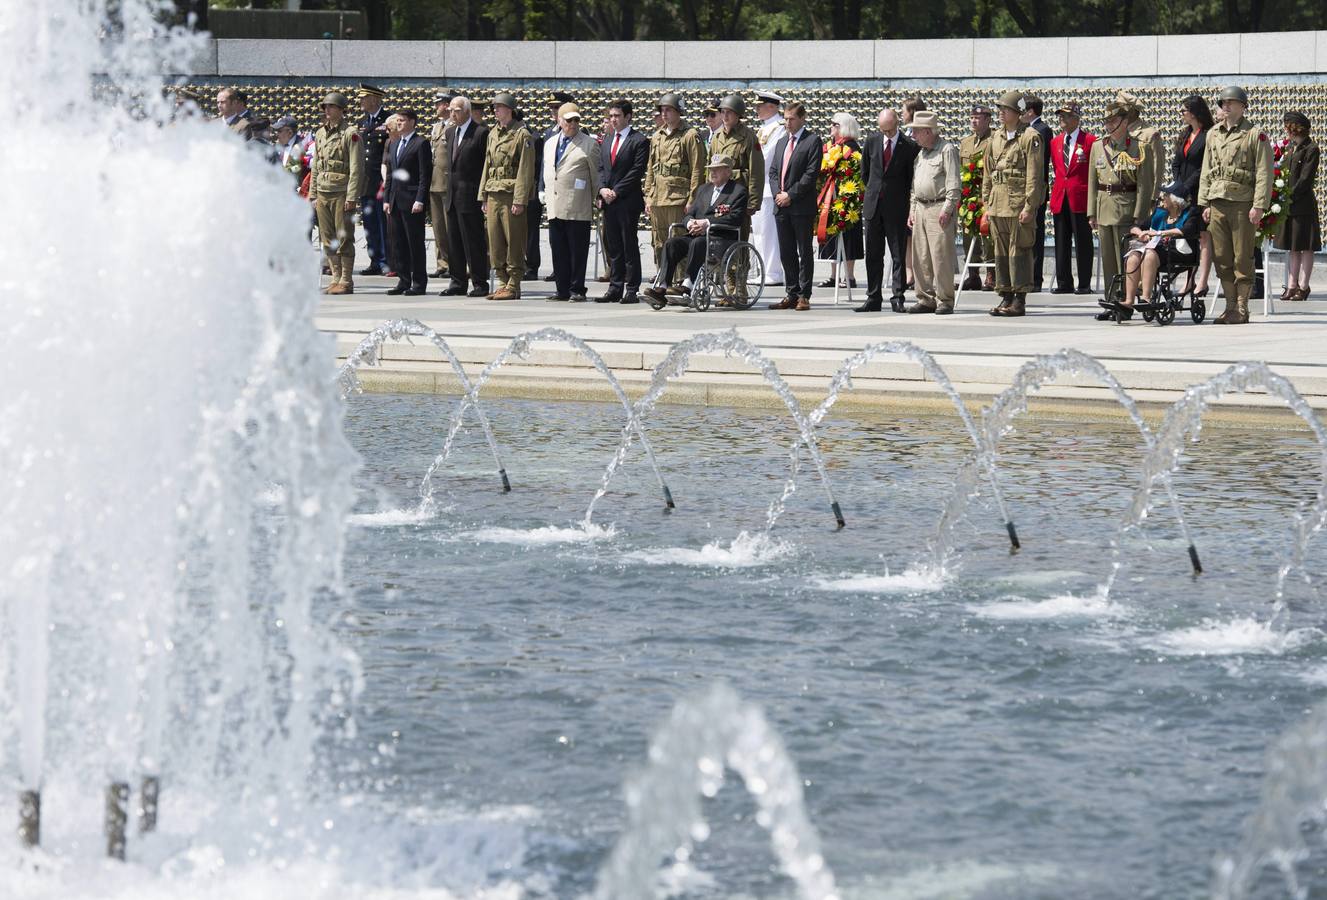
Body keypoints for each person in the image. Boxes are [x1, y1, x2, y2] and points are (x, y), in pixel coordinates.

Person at [1198, 85, 1272, 325]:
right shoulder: (1213, 134)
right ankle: (1229, 306)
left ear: (1242, 106)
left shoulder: (1254, 134)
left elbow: (1264, 172)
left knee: (1242, 257)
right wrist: (1204, 202)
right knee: (1221, 257)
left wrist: (1259, 205)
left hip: (1242, 202)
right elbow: (1207, 170)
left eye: (1230, 102)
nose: (1225, 106)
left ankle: (1242, 307)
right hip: (1217, 201)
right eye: (1222, 103)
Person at [643, 155, 748, 307]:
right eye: (711, 169)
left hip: (721, 237)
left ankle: (687, 285)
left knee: (698, 243)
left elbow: (735, 219)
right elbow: (689, 213)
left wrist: (706, 223)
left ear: (727, 171)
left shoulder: (738, 191)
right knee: (672, 243)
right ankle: (662, 287)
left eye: (717, 169)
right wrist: (690, 222)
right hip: (696, 234)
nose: (713, 173)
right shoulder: (704, 189)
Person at [1087, 97, 1152, 321]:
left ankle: (1125, 301)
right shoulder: (1098, 146)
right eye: (1106, 120)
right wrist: (1091, 212)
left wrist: (1139, 217)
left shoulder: (1138, 147)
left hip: (1126, 209)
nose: (1108, 124)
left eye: (1112, 120)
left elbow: (1145, 185)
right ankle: (1111, 300)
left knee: (1126, 258)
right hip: (1104, 208)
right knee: (1108, 259)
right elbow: (1093, 182)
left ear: (1124, 122)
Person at [983, 91, 1044, 318]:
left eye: (1005, 109)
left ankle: (1019, 298)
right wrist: (986, 203)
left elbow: (1034, 175)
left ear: (1017, 113)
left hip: (1018, 204)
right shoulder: (995, 138)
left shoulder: (1030, 137)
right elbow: (988, 172)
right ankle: (1005, 294)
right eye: (1000, 109)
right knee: (1000, 252)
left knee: (1019, 250)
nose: (1001, 113)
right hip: (998, 203)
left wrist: (1030, 206)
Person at [856, 108, 918, 313]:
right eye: (883, 131)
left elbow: (911, 179)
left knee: (898, 254)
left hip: (897, 208)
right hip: (874, 206)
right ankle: (873, 297)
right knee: (873, 254)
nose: (887, 134)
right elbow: (865, 173)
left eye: (890, 131)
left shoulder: (909, 146)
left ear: (897, 124)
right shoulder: (872, 141)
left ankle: (898, 296)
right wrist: (875, 192)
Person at [477, 92, 537, 301]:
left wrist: (520, 199)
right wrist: (483, 195)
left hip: (511, 194)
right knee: (495, 241)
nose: (495, 110)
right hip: (494, 192)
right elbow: (487, 165)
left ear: (509, 109)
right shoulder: (493, 133)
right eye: (494, 107)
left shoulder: (522, 135)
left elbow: (525, 170)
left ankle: (513, 283)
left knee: (514, 241)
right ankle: (502, 282)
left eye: (499, 107)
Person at [644, 93, 705, 291]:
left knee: (678, 241)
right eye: (662, 110)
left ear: (679, 111)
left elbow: (697, 169)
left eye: (668, 110)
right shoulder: (657, 136)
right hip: (658, 198)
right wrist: (648, 195)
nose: (664, 114)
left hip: (678, 198)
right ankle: (663, 281)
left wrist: (692, 198)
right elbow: (652, 168)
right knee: (659, 242)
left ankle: (680, 283)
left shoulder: (689, 135)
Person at [542, 103, 602, 303]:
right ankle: (562, 289)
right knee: (558, 249)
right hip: (555, 205)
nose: (573, 124)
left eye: (577, 120)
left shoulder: (589, 144)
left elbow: (596, 176)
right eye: (569, 120)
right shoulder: (550, 143)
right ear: (559, 121)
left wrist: (596, 198)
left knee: (577, 250)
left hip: (578, 205)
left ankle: (577, 288)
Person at [905, 111, 962, 315]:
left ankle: (945, 300)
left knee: (941, 256)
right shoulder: (921, 154)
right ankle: (925, 298)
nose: (913, 135)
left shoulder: (946, 150)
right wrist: (912, 210)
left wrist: (948, 208)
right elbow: (914, 186)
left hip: (938, 207)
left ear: (928, 132)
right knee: (920, 257)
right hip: (920, 207)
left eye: (916, 131)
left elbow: (954, 183)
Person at [766, 102, 820, 311]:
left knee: (804, 251)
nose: (787, 123)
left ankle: (804, 294)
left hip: (800, 206)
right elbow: (772, 172)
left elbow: (811, 173)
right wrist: (777, 194)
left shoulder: (812, 141)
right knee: (786, 251)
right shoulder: (781, 142)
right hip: (781, 206)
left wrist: (791, 194)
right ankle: (791, 292)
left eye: (791, 119)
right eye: (785, 119)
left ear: (802, 119)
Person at [1116, 182, 1200, 313]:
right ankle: (1128, 302)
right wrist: (1141, 234)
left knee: (1149, 254)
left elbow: (1186, 230)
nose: (1162, 197)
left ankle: (1146, 298)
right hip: (1157, 251)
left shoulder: (1190, 213)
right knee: (1133, 257)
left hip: (1178, 252)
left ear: (1175, 200)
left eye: (1165, 194)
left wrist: (1158, 233)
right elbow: (1134, 227)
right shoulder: (1159, 213)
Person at [309, 92, 363, 295]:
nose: (327, 111)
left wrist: (351, 196)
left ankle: (346, 280)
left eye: (331, 107)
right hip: (323, 191)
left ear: (341, 110)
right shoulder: (320, 133)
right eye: (325, 107)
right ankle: (335, 277)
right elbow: (317, 165)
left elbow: (357, 167)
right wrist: (313, 193)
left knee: (344, 236)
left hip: (341, 192)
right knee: (327, 237)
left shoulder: (351, 133)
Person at [597, 99, 649, 304]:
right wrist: (602, 190)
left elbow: (636, 171)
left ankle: (632, 288)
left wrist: (616, 191)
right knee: (613, 246)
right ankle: (615, 287)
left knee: (629, 244)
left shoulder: (639, 140)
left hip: (627, 200)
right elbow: (601, 168)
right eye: (611, 116)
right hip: (609, 201)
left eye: (617, 116)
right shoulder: (608, 139)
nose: (613, 120)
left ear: (628, 117)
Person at [441, 95, 490, 298]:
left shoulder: (480, 132)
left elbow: (485, 166)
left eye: (457, 110)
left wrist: (483, 195)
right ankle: (457, 281)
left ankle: (479, 282)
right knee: (454, 241)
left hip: (470, 195)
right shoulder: (451, 132)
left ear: (467, 111)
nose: (453, 113)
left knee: (473, 241)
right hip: (452, 195)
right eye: (451, 110)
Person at [382, 109, 432, 296]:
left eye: (402, 120)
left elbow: (424, 175)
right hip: (395, 200)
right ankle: (403, 280)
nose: (399, 124)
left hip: (412, 201)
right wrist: (387, 198)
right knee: (398, 243)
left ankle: (419, 283)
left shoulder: (421, 144)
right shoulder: (395, 144)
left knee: (415, 243)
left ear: (412, 122)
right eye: (397, 121)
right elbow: (390, 176)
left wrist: (420, 199)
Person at [1048, 101, 1095, 295]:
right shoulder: (1055, 142)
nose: (1062, 120)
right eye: (1061, 116)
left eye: (1067, 116)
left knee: (1083, 241)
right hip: (1061, 196)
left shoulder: (1090, 141)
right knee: (1061, 241)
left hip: (1080, 197)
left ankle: (1084, 283)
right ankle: (1064, 282)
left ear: (1076, 118)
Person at [1172, 95, 1215, 296]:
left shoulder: (1208, 135)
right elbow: (1177, 162)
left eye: (1184, 110)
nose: (1182, 113)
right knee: (1187, 237)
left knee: (1204, 236)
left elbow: (1204, 166)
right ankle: (1188, 280)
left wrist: (1186, 186)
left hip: (1201, 192)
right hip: (1183, 193)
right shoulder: (1184, 134)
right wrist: (1178, 186)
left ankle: (1203, 281)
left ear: (1195, 112)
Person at [1276, 110, 1321, 301]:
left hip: (1302, 204)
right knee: (1293, 247)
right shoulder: (1290, 148)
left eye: (1289, 128)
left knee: (1306, 246)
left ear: (1296, 128)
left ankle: (1304, 286)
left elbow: (1305, 179)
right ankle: (1292, 286)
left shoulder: (1311, 149)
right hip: (1289, 204)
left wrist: (1289, 195)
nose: (1287, 132)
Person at [817, 112, 863, 289]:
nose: (831, 127)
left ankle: (849, 276)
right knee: (830, 232)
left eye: (834, 124)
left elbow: (855, 173)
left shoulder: (852, 148)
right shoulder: (829, 146)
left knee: (849, 235)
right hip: (829, 194)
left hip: (846, 196)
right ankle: (833, 275)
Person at [536, 91, 576, 282]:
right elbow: (546, 163)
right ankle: (558, 270)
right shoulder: (550, 133)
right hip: (553, 191)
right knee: (556, 237)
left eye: (556, 107)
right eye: (551, 108)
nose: (553, 111)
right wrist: (541, 187)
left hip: (570, 194)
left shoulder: (578, 132)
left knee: (569, 237)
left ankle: (569, 274)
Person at [750, 91, 787, 286]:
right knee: (758, 231)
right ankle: (763, 270)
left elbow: (768, 158)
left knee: (768, 232)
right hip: (757, 187)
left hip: (766, 187)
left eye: (760, 105)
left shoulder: (779, 128)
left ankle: (773, 272)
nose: (756, 109)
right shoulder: (764, 128)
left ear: (772, 106)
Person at [356, 84, 392, 277]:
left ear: (375, 99)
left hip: (381, 180)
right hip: (365, 180)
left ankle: (387, 261)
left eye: (364, 98)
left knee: (382, 222)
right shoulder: (362, 122)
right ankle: (374, 260)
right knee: (369, 222)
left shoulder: (389, 120)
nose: (361, 101)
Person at [959, 104, 995, 291]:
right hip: (968, 197)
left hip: (987, 196)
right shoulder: (965, 142)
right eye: (971, 117)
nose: (973, 121)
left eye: (978, 118)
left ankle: (991, 273)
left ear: (988, 120)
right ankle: (973, 275)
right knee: (968, 235)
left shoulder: (994, 139)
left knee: (988, 235)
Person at [1020, 95, 1054, 291]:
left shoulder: (1042, 130)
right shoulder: (1024, 130)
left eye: (1022, 109)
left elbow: (1038, 164)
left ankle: (1035, 277)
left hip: (1036, 190)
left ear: (1030, 111)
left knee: (1035, 234)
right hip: (1022, 190)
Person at [427, 91, 453, 280]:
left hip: (448, 183)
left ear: (447, 104)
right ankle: (442, 263)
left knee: (450, 226)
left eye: (439, 103)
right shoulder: (436, 127)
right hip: (434, 183)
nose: (436, 107)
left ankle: (454, 262)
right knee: (438, 227)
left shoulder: (454, 127)